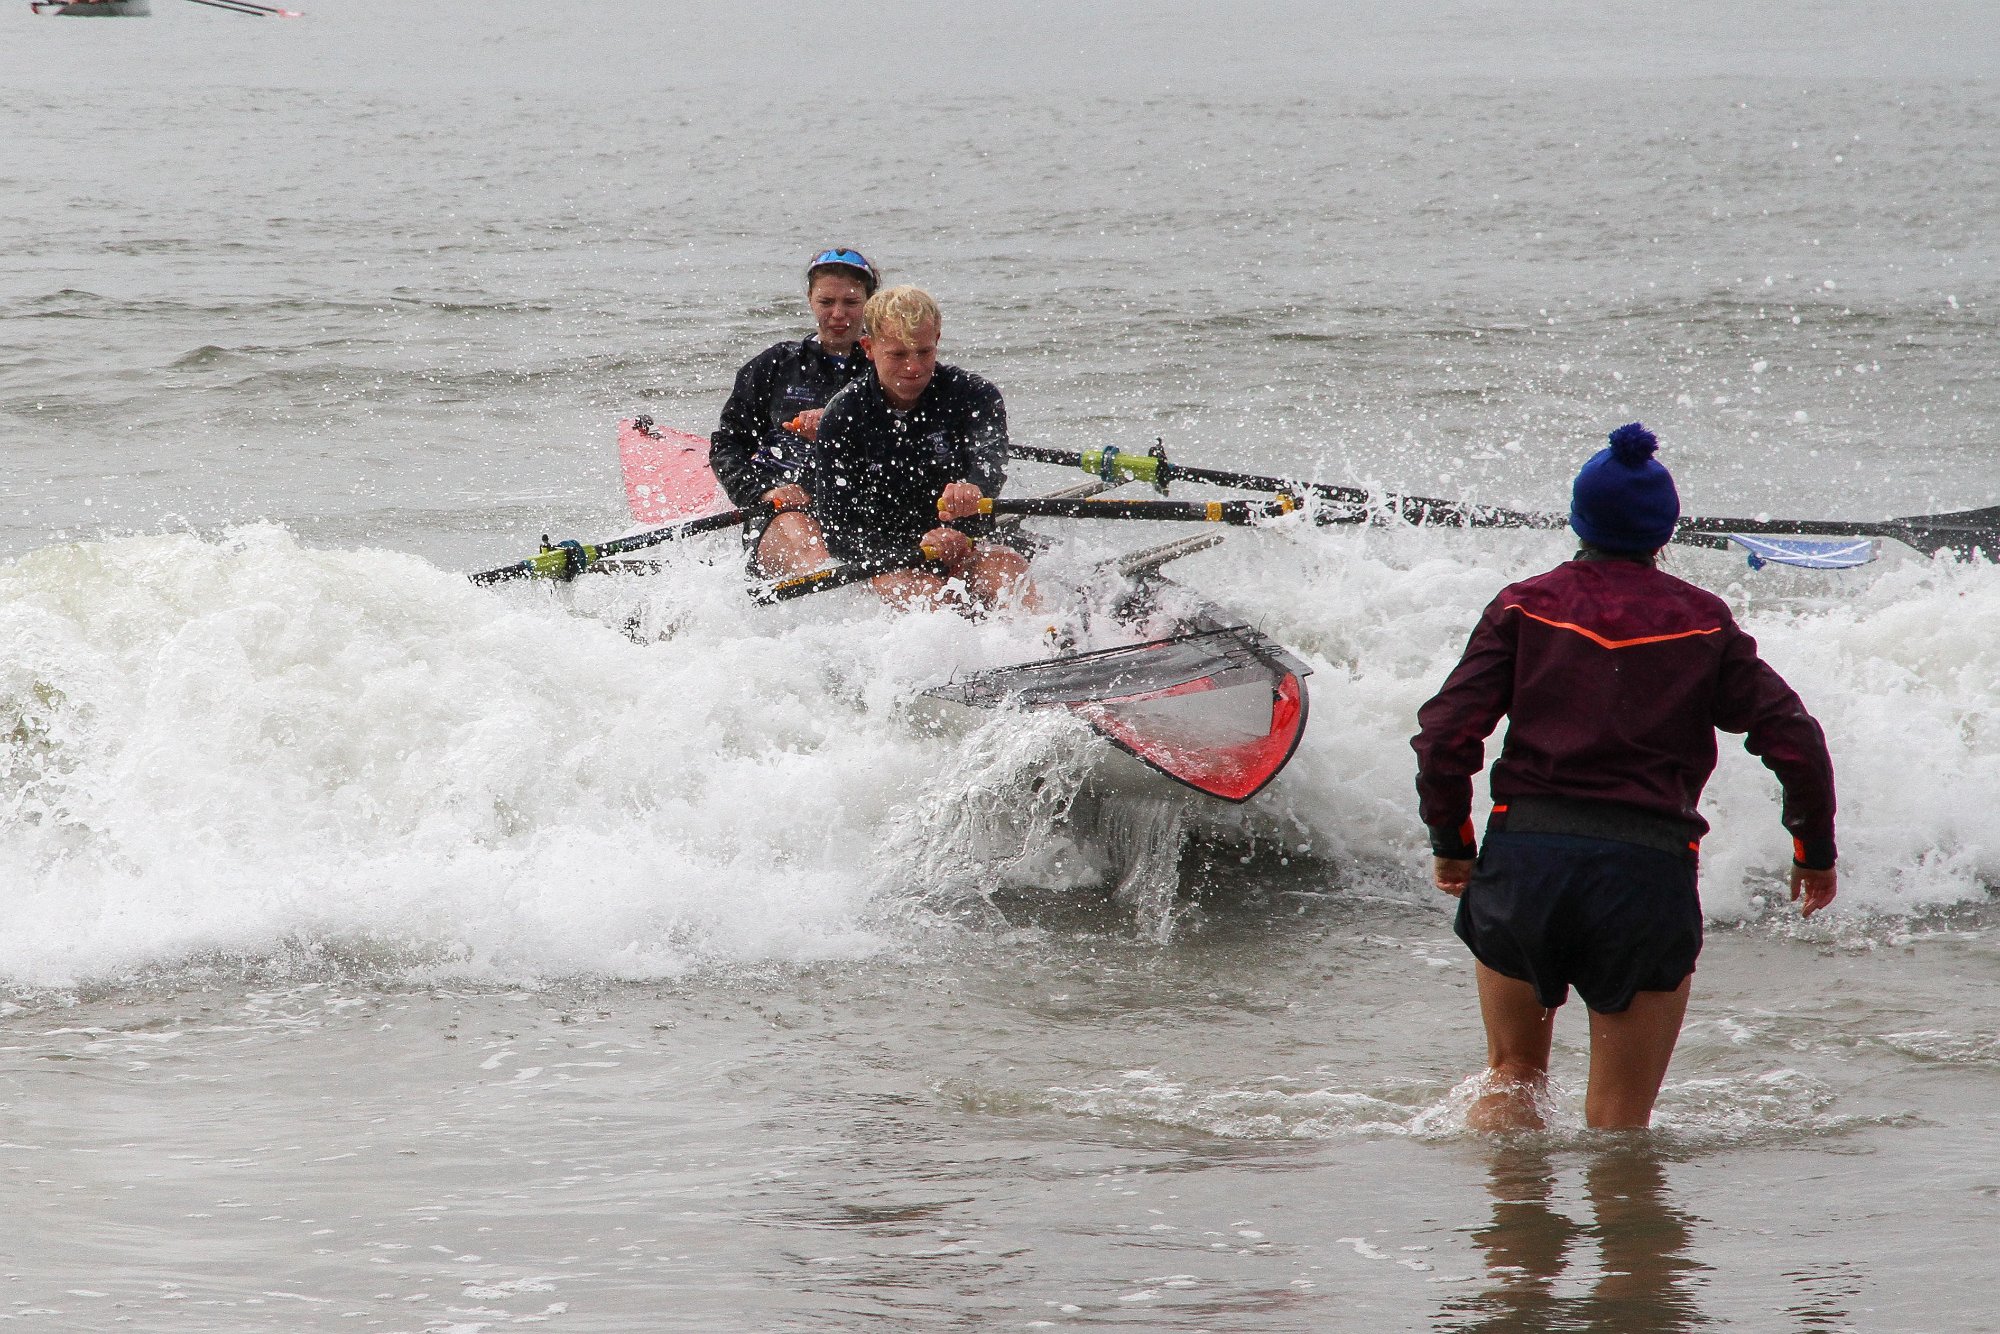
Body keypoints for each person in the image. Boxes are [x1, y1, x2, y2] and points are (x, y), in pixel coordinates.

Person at [1410, 422, 1838, 1132]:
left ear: (1580, 519)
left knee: (1512, 1080)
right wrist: (1812, 853)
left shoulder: (1523, 604)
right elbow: (1794, 738)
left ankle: (1512, 1235)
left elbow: (1444, 734)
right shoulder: (1703, 623)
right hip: (1644, 877)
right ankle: (1628, 1236)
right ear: (1663, 529)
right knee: (1619, 1122)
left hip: (1527, 865)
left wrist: (1453, 842)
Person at [783, 284, 1032, 610]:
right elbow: (838, 529)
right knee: (929, 594)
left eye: (924, 352)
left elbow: (990, 459)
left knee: (1007, 570)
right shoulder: (843, 415)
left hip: (965, 542)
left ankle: (1047, 641)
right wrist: (909, 551)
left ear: (938, 340)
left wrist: (975, 488)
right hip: (886, 557)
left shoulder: (975, 395)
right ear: (868, 348)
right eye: (898, 354)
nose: (913, 367)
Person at [710, 247, 879, 573]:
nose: (838, 314)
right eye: (826, 302)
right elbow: (727, 446)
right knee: (807, 543)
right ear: (810, 299)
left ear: (870, 302)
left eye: (851, 302)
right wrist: (761, 491)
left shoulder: (890, 369)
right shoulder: (774, 365)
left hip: (859, 514)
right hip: (781, 513)